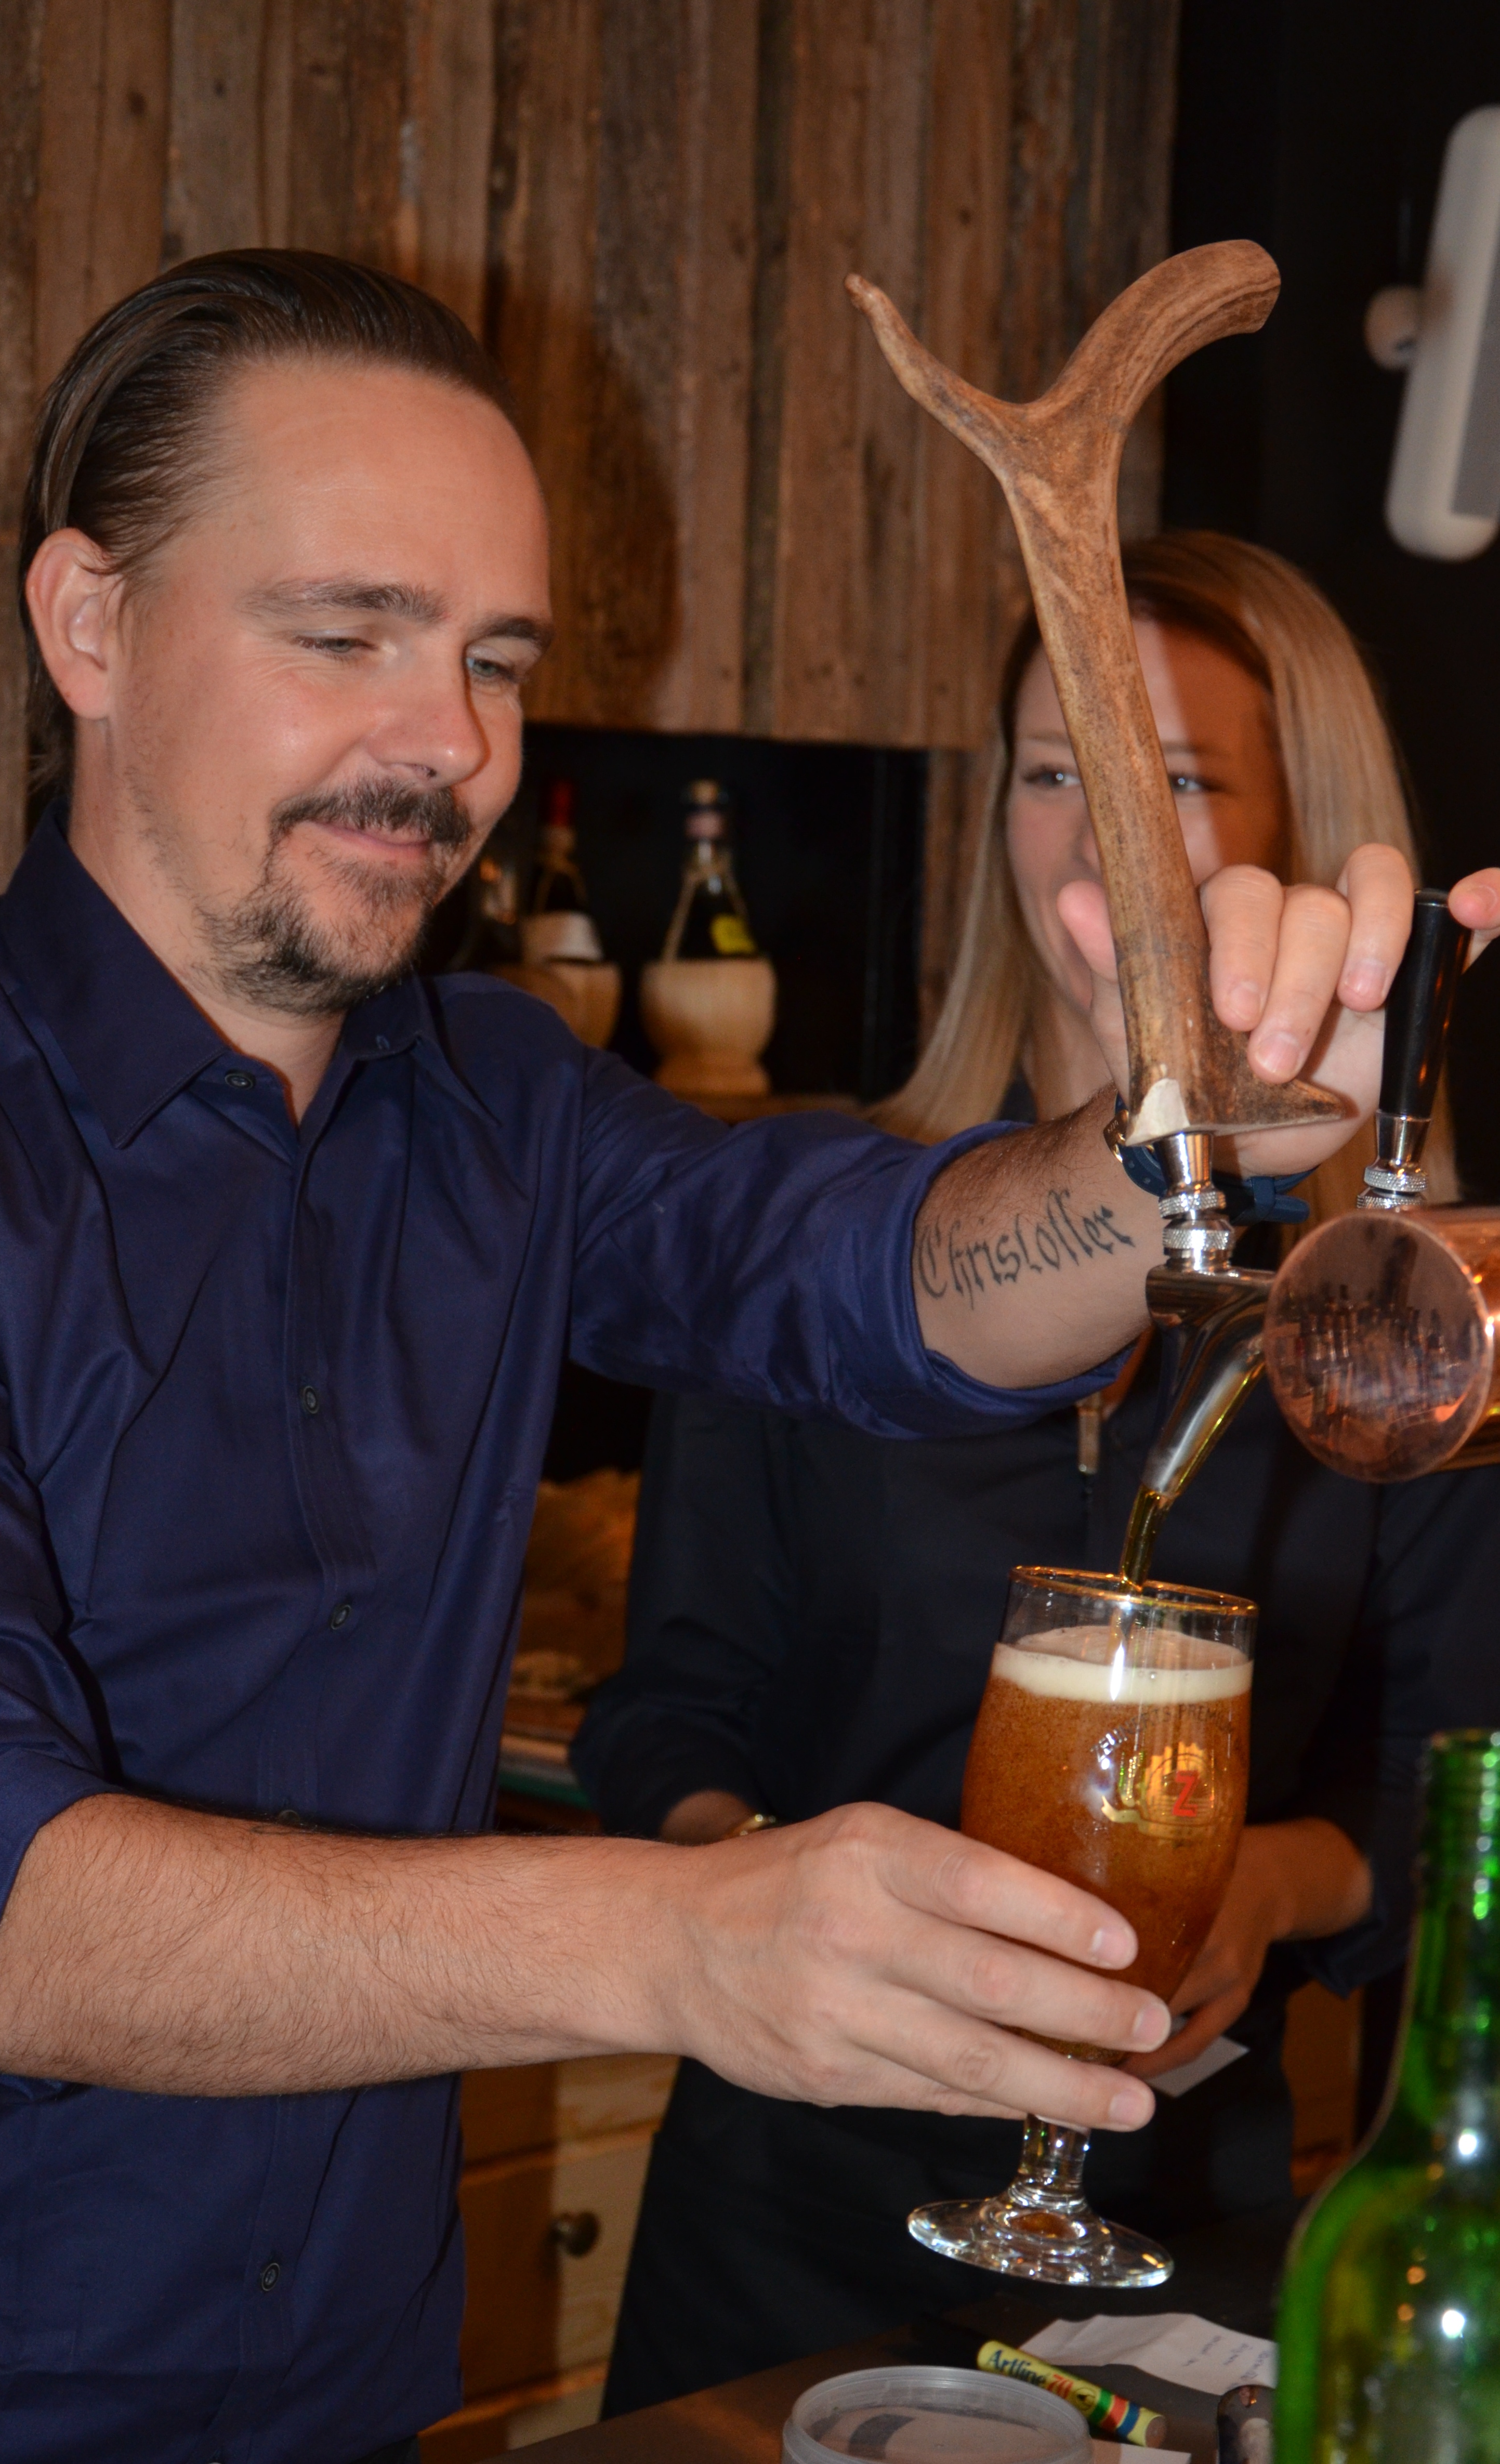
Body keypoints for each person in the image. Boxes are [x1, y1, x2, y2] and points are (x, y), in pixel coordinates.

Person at [0, 247, 1490, 2464]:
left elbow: (878, 1274)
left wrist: (1200, 1133)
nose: (451, 742)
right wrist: (677, 1939)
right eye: (347, 633)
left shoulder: (497, 1107)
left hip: (353, 2404)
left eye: (495, 661)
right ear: (87, 625)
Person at [575, 530, 1500, 2413]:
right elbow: (670, 1711)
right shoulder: (835, 1242)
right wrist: (766, 1901)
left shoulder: (1390, 1317)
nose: (1100, 843)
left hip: (1175, 2213)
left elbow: (1440, 1777)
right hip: (785, 2192)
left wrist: (1264, 1887)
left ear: (1304, 835)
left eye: (1176, 781)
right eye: (1054, 770)